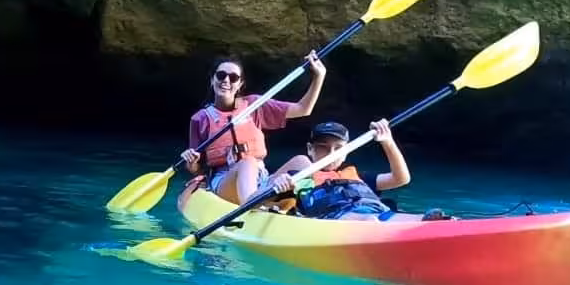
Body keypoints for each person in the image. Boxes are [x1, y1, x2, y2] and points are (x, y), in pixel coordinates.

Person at [178, 53, 327, 206]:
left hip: (261, 178)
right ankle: (254, 202)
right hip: (224, 181)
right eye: (221, 75)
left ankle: (284, 199)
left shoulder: (255, 105)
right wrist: (191, 162)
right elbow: (197, 170)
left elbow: (303, 109)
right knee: (247, 162)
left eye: (233, 78)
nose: (226, 81)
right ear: (212, 80)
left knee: (302, 162)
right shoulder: (200, 119)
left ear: (240, 84)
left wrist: (319, 76)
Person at [260, 118, 442, 221]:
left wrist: (388, 141)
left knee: (406, 217)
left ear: (346, 152)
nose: (330, 153)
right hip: (337, 220)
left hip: (374, 213)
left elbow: (401, 178)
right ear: (310, 149)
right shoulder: (297, 177)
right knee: (370, 220)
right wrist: (277, 185)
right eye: (323, 147)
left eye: (338, 148)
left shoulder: (357, 178)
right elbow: (263, 202)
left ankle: (430, 223)